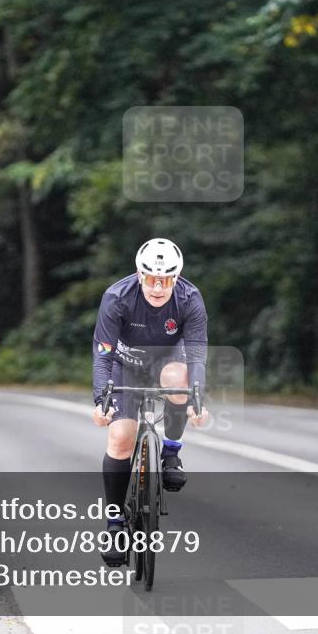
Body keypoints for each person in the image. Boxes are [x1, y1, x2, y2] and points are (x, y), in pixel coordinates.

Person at [91, 238, 209, 566]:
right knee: (120, 439)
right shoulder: (116, 297)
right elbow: (102, 354)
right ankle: (115, 525)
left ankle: (171, 452)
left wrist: (196, 398)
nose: (158, 288)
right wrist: (101, 398)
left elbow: (197, 352)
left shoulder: (190, 299)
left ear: (177, 278)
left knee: (177, 381)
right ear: (139, 274)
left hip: (168, 362)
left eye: (167, 280)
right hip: (124, 365)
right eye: (151, 279)